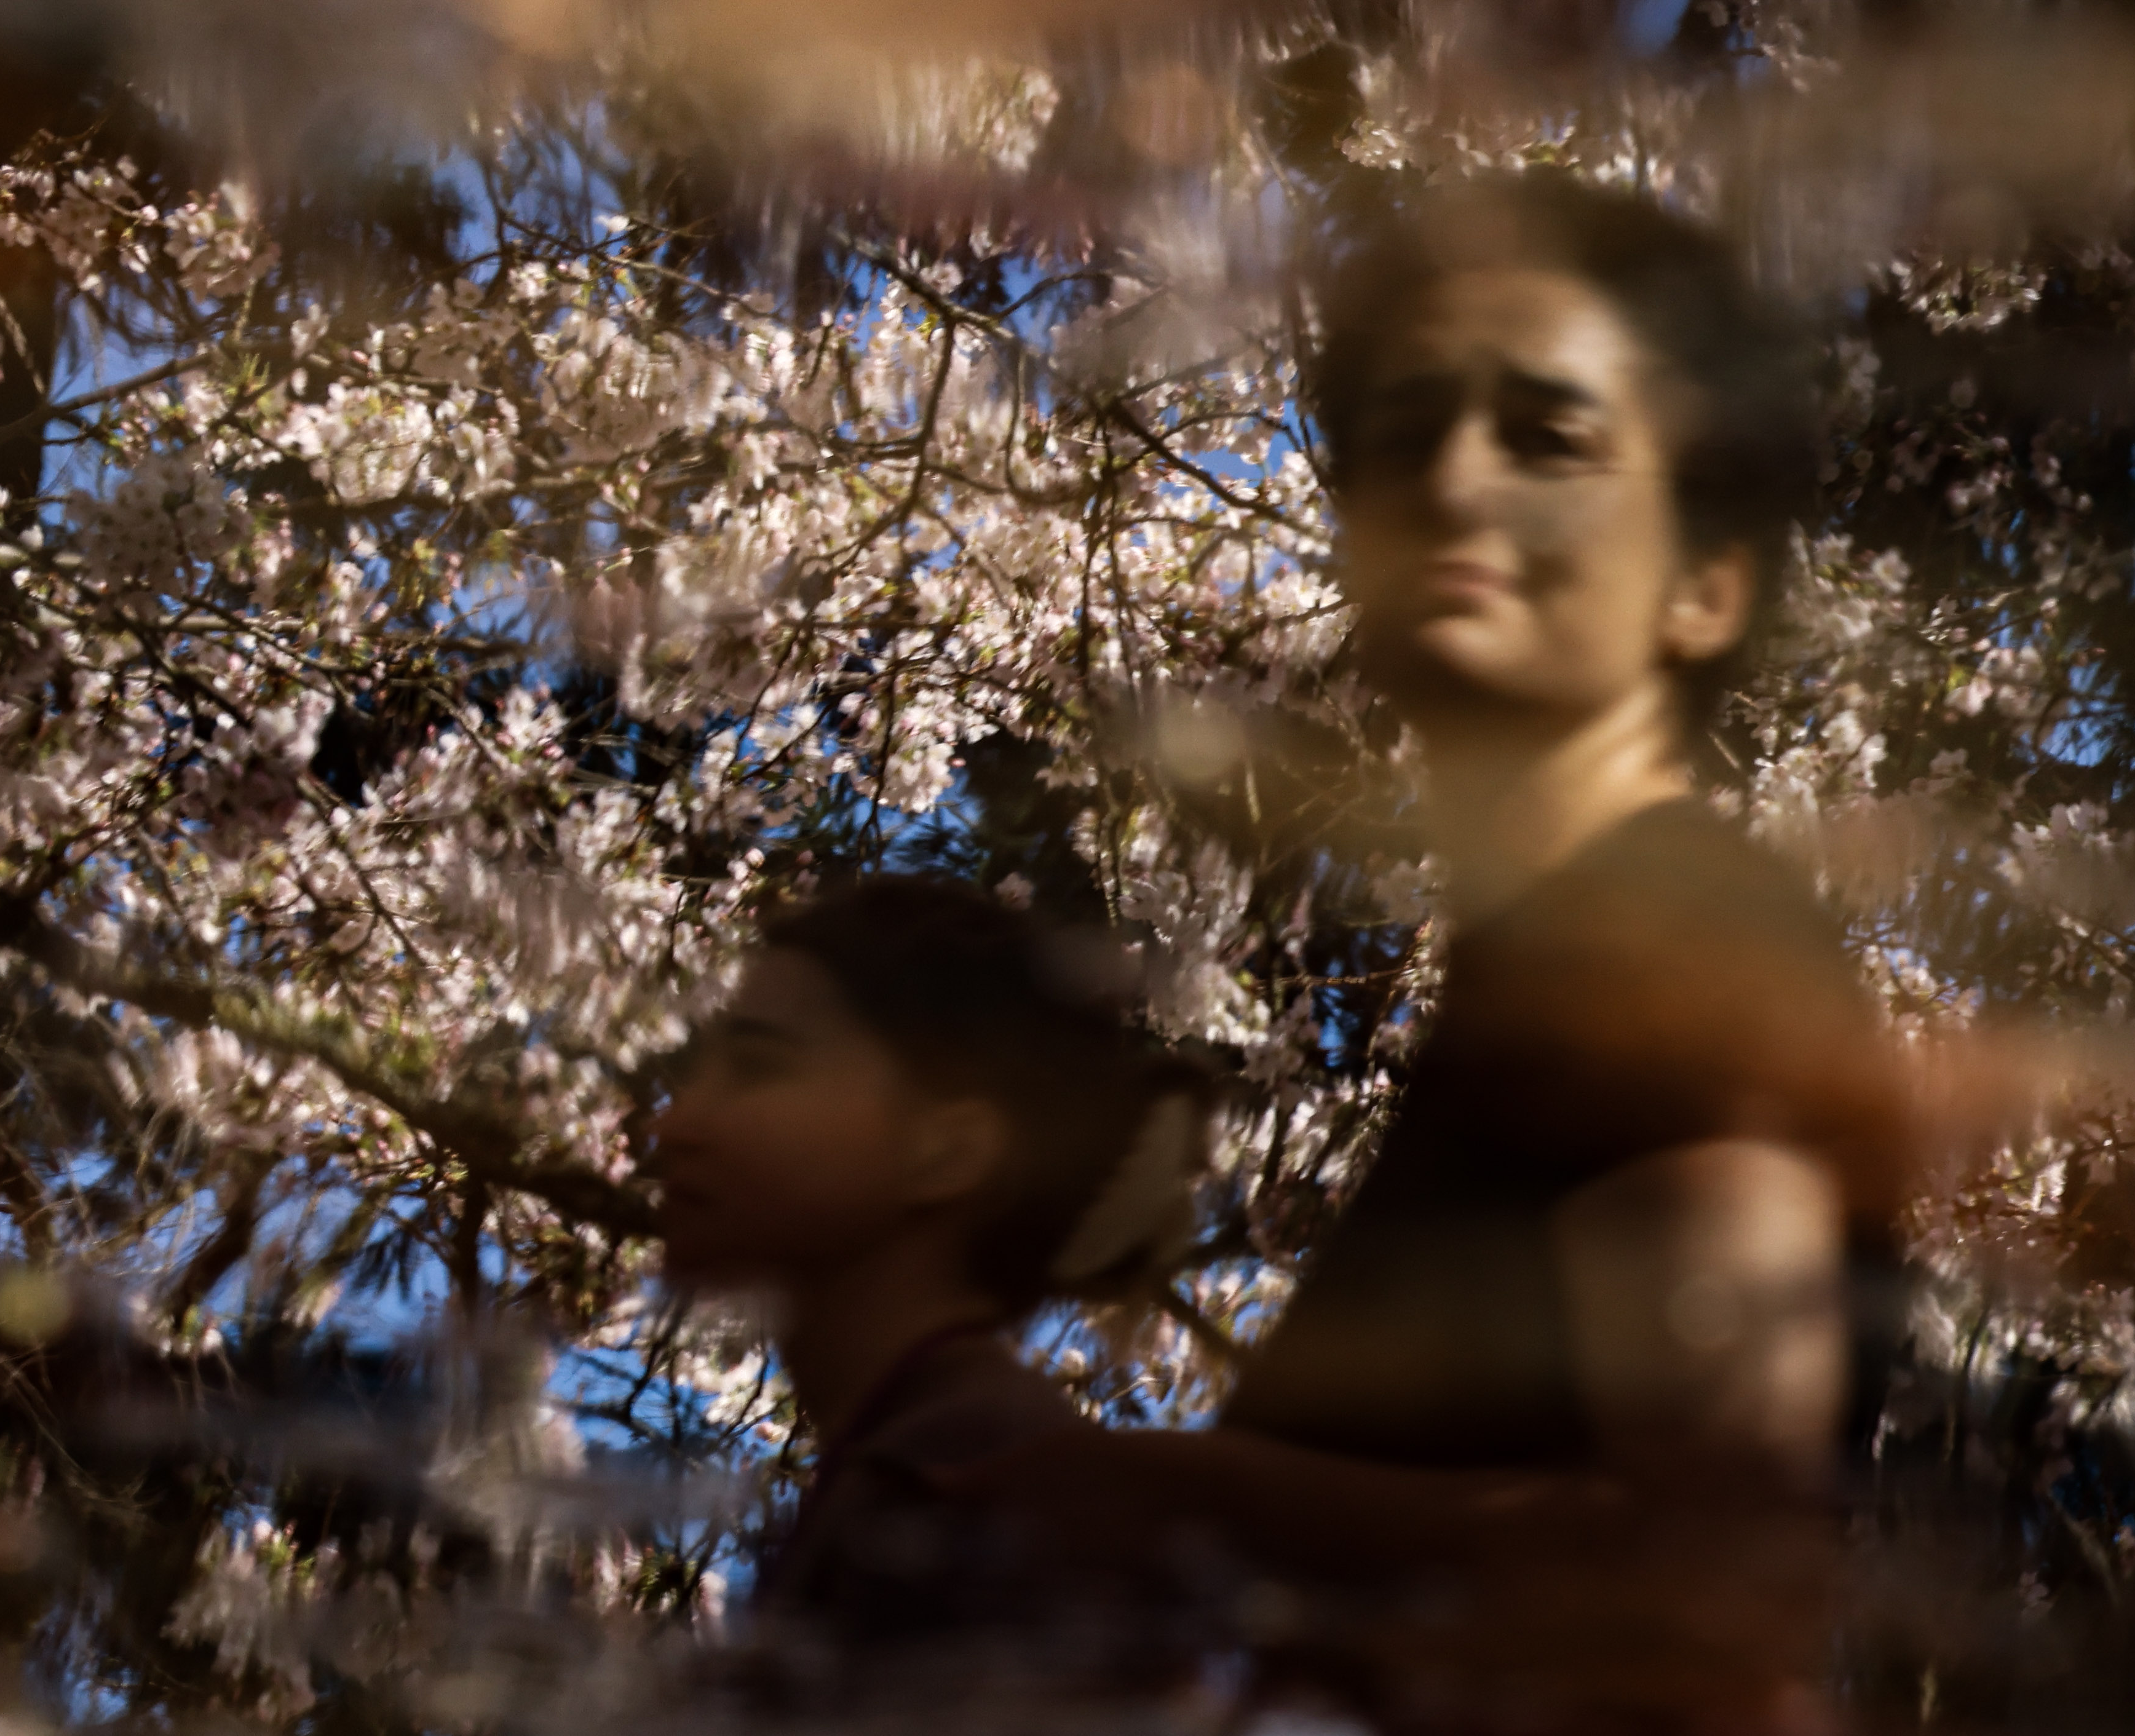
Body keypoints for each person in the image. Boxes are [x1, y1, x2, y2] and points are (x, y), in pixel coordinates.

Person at [953, 175, 1914, 1730]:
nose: (1454, 483)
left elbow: (1711, 1567)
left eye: (1547, 436)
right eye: (1401, 436)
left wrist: (1158, 1495)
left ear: (1705, 580)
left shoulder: (1671, 937)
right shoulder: (1545, 971)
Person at [650, 876, 1207, 1683]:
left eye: (757, 1064)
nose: (675, 1123)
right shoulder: (934, 1454)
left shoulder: (971, 1495)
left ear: (948, 1151)